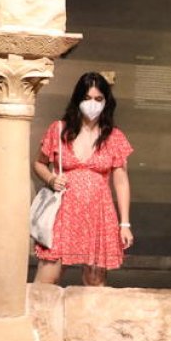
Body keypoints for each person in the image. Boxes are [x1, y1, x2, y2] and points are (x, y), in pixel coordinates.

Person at [32, 72, 133, 286]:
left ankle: (90, 321)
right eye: (87, 98)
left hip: (98, 214)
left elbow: (121, 182)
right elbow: (38, 163)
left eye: (98, 99)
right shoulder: (58, 130)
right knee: (46, 279)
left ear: (106, 102)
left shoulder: (114, 137)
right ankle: (40, 319)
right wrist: (51, 179)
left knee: (95, 283)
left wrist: (124, 223)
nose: (92, 104)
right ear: (78, 99)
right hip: (63, 212)